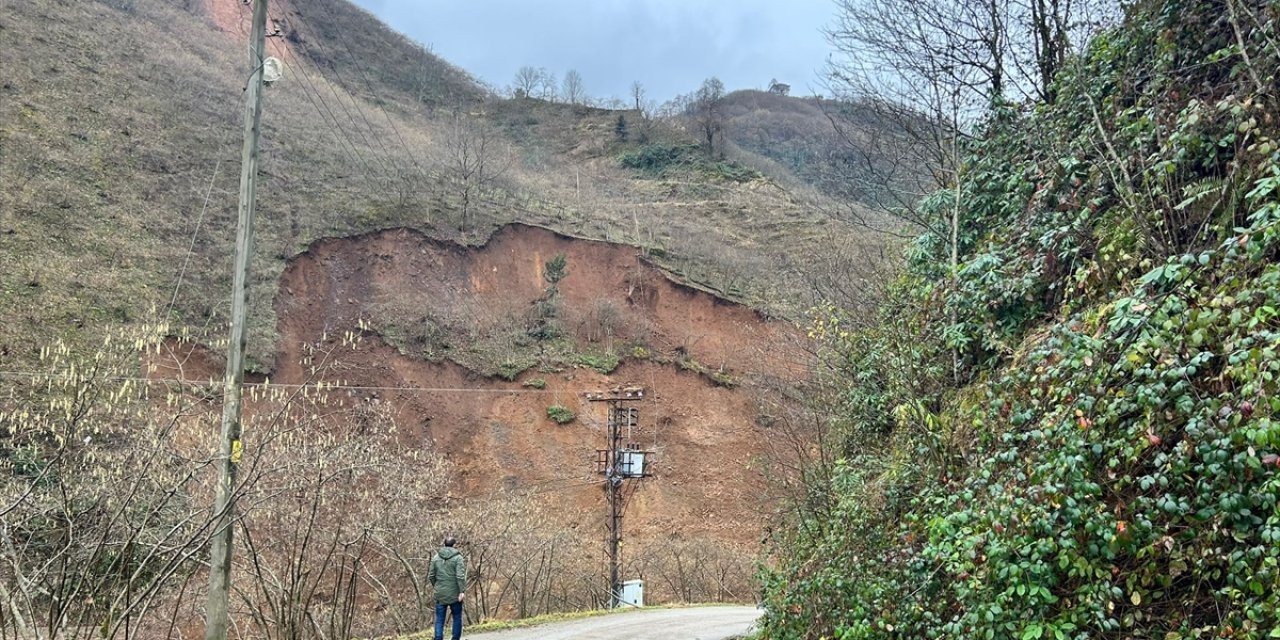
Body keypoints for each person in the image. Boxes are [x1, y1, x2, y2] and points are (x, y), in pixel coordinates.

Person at [428, 535, 467, 640]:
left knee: (439, 619)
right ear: (454, 545)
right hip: (455, 594)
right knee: (457, 617)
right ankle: (455, 638)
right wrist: (461, 591)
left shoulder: (436, 558)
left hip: (440, 593)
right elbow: (460, 576)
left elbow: (431, 576)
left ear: (444, 544)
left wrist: (437, 586)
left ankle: (438, 638)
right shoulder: (458, 558)